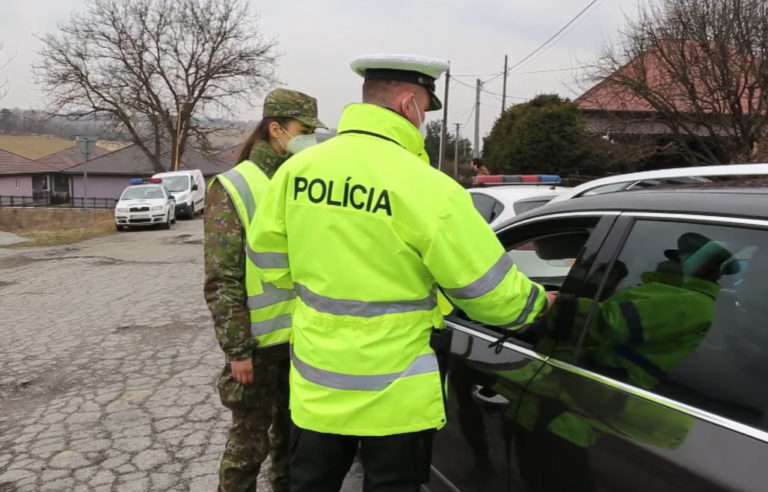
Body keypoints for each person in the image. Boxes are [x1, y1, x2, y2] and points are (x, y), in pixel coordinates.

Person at [248, 54, 555, 492]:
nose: (422, 122)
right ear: (409, 104)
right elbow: (488, 291)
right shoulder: (428, 188)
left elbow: (267, 263)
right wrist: (538, 305)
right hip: (396, 399)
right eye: (426, 110)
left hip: (318, 387)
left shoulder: (297, 171)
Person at [204, 88, 326, 492]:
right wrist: (237, 348)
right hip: (257, 347)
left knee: (292, 447)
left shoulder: (304, 181)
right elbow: (222, 277)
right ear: (275, 130)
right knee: (247, 451)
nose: (309, 137)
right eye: (303, 130)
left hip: (302, 342)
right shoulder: (235, 185)